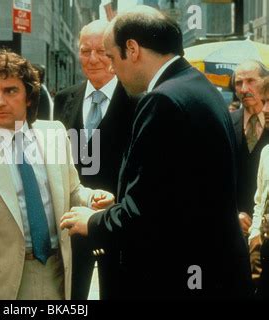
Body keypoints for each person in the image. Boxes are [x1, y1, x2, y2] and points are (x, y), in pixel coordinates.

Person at [60, 5, 253, 298]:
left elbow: (146, 214)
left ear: (133, 49)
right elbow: (175, 189)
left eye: (111, 57)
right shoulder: (198, 85)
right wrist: (123, 198)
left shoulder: (161, 100)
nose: (110, 68)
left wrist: (93, 221)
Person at [0, 45, 114, 300]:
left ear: (29, 96)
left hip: (58, 273)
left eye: (10, 90)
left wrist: (92, 198)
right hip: (3, 283)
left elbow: (71, 191)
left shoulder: (55, 134)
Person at [53, 19, 136, 300]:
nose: (93, 59)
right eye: (85, 51)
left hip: (117, 222)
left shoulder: (137, 100)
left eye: (101, 51)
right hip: (72, 223)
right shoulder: (64, 99)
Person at [230, 60, 269, 239]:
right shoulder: (225, 123)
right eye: (239, 83)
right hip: (233, 232)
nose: (244, 89)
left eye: (251, 81)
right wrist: (232, 213)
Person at [248, 75, 269, 291]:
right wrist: (254, 237)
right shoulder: (266, 153)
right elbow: (260, 201)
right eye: (264, 102)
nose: (264, 109)